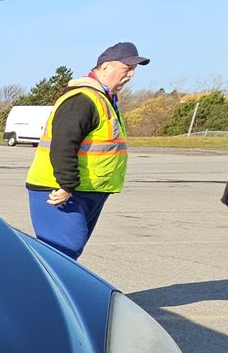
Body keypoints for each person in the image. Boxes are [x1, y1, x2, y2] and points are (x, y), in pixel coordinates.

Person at [24, 42, 149, 259]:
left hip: (88, 190)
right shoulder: (82, 100)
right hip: (58, 189)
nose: (131, 75)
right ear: (106, 67)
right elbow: (63, 144)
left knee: (66, 254)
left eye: (133, 70)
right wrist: (66, 184)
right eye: (127, 68)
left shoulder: (105, 99)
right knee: (62, 252)